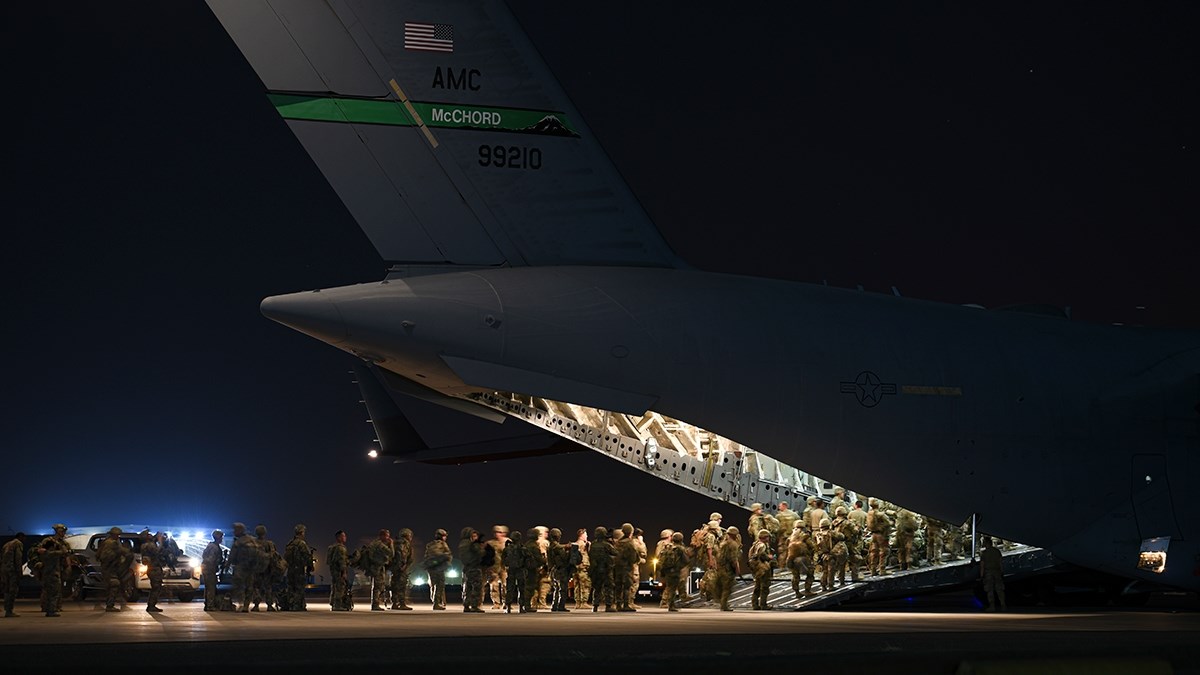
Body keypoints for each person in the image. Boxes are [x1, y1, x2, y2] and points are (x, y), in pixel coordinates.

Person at [36, 523, 71, 616]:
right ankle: (48, 608)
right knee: (49, 589)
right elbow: (40, 551)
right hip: (50, 568)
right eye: (61, 531)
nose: (63, 533)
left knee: (58, 589)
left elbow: (67, 555)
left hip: (59, 568)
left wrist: (68, 566)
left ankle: (56, 607)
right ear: (57, 531)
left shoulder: (64, 543)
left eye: (64, 531)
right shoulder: (49, 541)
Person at [228, 522, 257, 612]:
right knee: (249, 587)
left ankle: (241, 603)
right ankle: (246, 605)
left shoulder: (238, 542)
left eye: (235, 530)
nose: (234, 532)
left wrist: (227, 565)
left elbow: (232, 556)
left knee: (239, 586)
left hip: (240, 567)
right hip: (251, 568)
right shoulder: (252, 540)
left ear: (240, 530)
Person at [711, 526, 741, 611]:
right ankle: (724, 605)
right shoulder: (733, 544)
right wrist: (737, 568)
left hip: (720, 568)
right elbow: (733, 558)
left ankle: (722, 603)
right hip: (728, 569)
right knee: (727, 587)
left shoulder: (723, 543)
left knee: (722, 586)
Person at [659, 532, 690, 611]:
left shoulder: (667, 547)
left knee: (669, 587)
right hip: (675, 570)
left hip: (667, 570)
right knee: (673, 588)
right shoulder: (680, 548)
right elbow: (686, 560)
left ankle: (667, 603)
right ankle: (671, 605)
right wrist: (680, 566)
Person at [251, 524, 279, 611]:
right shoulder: (269, 544)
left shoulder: (253, 544)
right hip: (267, 569)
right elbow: (274, 556)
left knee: (256, 587)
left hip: (256, 569)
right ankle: (269, 605)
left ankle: (256, 605)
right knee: (268, 587)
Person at [283, 524, 312, 611]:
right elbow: (307, 556)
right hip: (299, 569)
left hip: (290, 569)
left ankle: (290, 605)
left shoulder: (290, 543)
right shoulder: (301, 543)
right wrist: (310, 566)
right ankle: (298, 606)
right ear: (302, 532)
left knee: (291, 587)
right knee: (299, 588)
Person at [783, 523, 816, 599]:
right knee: (810, 574)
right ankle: (807, 590)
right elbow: (812, 546)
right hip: (804, 558)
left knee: (795, 576)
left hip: (792, 558)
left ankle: (797, 592)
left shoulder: (790, 536)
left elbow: (786, 546)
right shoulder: (804, 536)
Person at [423, 528, 452, 610]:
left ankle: (435, 601)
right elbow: (448, 555)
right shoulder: (443, 544)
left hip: (430, 568)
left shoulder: (429, 544)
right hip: (439, 568)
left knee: (433, 584)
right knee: (440, 585)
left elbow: (426, 556)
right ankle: (437, 603)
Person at [458, 527, 485, 612]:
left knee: (467, 587)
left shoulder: (462, 544)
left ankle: (466, 605)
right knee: (476, 587)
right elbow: (480, 553)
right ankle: (475, 606)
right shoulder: (471, 544)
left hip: (466, 568)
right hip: (474, 567)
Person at [588, 526, 615, 612]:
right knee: (608, 587)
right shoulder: (607, 545)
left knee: (597, 588)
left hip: (595, 570)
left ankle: (595, 605)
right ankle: (608, 605)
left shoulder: (593, 545)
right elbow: (615, 552)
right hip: (606, 569)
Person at [365, 529, 393, 611]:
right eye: (387, 536)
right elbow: (391, 553)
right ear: (382, 536)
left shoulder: (374, 543)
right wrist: (391, 544)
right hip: (378, 567)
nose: (388, 538)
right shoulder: (380, 545)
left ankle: (375, 603)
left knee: (377, 586)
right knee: (378, 586)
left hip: (375, 566)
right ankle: (375, 604)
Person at [546, 527, 573, 612]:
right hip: (561, 570)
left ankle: (554, 605)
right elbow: (564, 558)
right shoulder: (557, 547)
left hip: (553, 570)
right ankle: (561, 605)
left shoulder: (550, 546)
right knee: (563, 589)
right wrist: (569, 552)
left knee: (556, 589)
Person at [748, 529, 775, 610]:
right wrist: (769, 557)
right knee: (765, 587)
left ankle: (755, 604)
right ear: (765, 537)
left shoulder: (755, 544)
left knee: (757, 587)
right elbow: (762, 555)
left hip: (757, 569)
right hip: (763, 568)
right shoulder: (762, 545)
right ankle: (763, 604)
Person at [139, 530, 166, 612]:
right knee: (156, 587)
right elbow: (157, 552)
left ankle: (151, 604)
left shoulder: (144, 545)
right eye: (148, 535)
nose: (150, 535)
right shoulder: (150, 545)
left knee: (156, 586)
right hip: (154, 568)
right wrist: (160, 542)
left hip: (151, 568)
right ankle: (151, 605)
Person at [389, 528, 415, 610]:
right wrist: (403, 566)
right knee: (401, 585)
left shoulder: (395, 543)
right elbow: (402, 555)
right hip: (401, 568)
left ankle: (394, 603)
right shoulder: (404, 543)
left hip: (394, 568)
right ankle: (402, 603)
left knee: (394, 585)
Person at [484, 525, 509, 610]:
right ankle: (496, 603)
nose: (499, 534)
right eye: (497, 532)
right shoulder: (490, 543)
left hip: (505, 567)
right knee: (494, 585)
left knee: (506, 585)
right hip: (493, 567)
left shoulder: (508, 542)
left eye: (501, 532)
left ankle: (506, 602)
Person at [979, 535, 1006, 611]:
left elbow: (982, 566)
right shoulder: (997, 551)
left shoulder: (984, 553)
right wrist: (1002, 572)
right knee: (999, 589)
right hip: (997, 572)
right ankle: (1003, 605)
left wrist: (981, 576)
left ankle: (992, 606)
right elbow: (1000, 562)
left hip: (988, 573)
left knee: (990, 590)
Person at [866, 499, 892, 576]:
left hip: (873, 535)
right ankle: (882, 569)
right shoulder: (881, 514)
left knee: (874, 552)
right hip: (881, 535)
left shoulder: (869, 514)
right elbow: (888, 523)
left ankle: (873, 570)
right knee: (884, 551)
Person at [2, 532, 25, 617]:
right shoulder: (18, 544)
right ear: (20, 537)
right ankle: (9, 611)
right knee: (12, 590)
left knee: (6, 590)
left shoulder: (7, 544)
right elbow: (18, 558)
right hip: (12, 571)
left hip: (4, 570)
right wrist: (19, 572)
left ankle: (7, 608)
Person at [327, 530, 351, 611]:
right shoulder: (341, 548)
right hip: (339, 571)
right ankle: (337, 605)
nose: (345, 538)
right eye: (343, 536)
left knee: (334, 586)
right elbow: (342, 561)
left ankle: (333, 603)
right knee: (340, 587)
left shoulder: (331, 548)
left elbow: (328, 561)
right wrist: (344, 572)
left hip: (333, 570)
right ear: (339, 537)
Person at [201, 529, 225, 611]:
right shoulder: (214, 547)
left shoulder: (210, 545)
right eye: (221, 537)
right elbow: (211, 560)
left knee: (208, 587)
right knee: (211, 587)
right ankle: (210, 605)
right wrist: (218, 563)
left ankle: (207, 604)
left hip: (206, 568)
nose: (222, 539)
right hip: (209, 569)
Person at [503, 530, 525, 612]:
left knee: (510, 589)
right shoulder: (522, 548)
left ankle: (508, 607)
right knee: (521, 589)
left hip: (511, 570)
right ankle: (521, 607)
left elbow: (503, 559)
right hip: (520, 570)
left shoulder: (507, 548)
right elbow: (528, 558)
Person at [571, 528, 590, 609]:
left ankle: (578, 603)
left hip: (576, 568)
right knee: (585, 584)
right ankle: (584, 602)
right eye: (586, 535)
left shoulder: (575, 544)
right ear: (582, 535)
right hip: (583, 567)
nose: (587, 536)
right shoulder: (583, 544)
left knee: (577, 586)